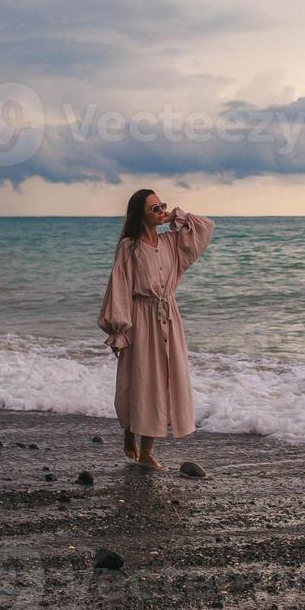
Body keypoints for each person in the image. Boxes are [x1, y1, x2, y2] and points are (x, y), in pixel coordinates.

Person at [96, 189, 215, 470]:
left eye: (161, 205)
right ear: (140, 214)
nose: (159, 210)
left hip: (168, 317)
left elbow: (205, 227)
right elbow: (120, 287)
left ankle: (147, 450)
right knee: (140, 381)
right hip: (139, 318)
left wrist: (176, 215)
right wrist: (119, 329)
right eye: (153, 208)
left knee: (162, 383)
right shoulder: (130, 247)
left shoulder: (170, 241)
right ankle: (129, 431)